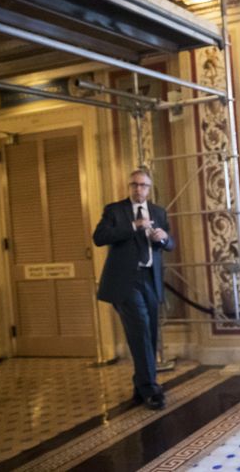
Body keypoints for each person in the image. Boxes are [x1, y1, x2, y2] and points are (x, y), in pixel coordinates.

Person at [94, 168, 174, 410]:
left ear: (150, 189)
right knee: (139, 329)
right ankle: (151, 389)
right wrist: (134, 225)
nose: (138, 189)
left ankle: (140, 386)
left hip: (150, 279)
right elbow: (99, 237)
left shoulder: (158, 212)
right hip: (124, 282)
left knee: (148, 333)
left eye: (143, 185)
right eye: (134, 185)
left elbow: (170, 243)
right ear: (129, 187)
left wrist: (162, 238)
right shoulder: (115, 210)